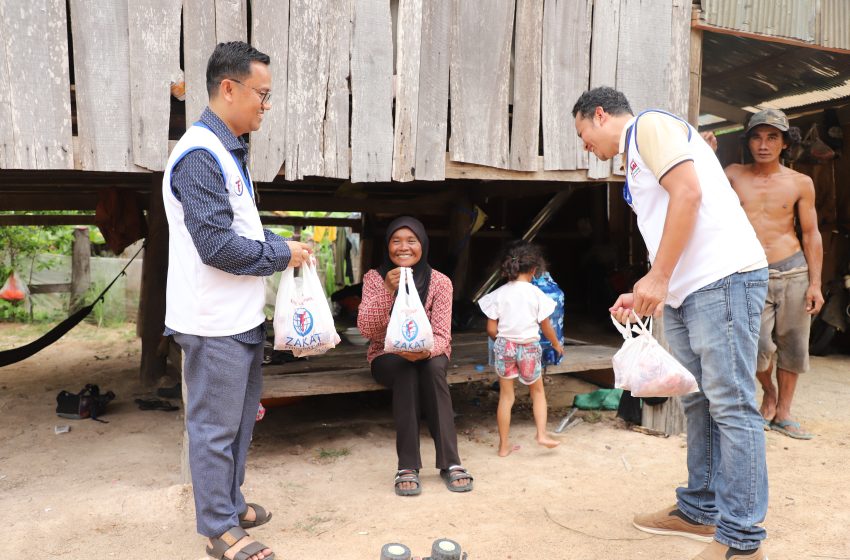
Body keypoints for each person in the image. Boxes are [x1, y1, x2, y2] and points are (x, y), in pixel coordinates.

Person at [573, 86, 770, 560]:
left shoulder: (649, 126)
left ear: (600, 114)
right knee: (699, 401)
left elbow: (688, 192)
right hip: (692, 288)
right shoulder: (637, 156)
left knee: (732, 406)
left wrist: (659, 277)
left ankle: (742, 541)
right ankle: (699, 510)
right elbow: (670, 221)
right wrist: (650, 284)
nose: (585, 147)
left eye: (582, 134)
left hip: (723, 279)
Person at [162, 41, 312, 560]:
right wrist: (280, 252)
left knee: (240, 422)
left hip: (238, 317)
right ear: (229, 89)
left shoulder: (225, 152)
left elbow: (233, 230)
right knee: (214, 428)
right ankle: (219, 529)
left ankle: (230, 501)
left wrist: (274, 250)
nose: (265, 106)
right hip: (212, 321)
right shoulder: (201, 155)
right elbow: (217, 246)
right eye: (262, 95)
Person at [717, 109, 823, 440]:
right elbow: (701, 193)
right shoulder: (733, 174)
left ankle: (784, 413)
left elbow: (810, 234)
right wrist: (705, 151)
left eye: (772, 137)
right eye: (757, 137)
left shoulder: (799, 182)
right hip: (749, 272)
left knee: (793, 344)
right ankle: (769, 393)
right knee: (756, 344)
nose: (763, 144)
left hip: (792, 271)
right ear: (747, 141)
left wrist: (816, 284)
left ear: (784, 143)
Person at [357, 216, 473, 496]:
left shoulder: (440, 283)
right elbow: (367, 330)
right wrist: (387, 290)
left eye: (411, 241)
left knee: (433, 369)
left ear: (423, 245)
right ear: (387, 246)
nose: (403, 247)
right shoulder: (375, 278)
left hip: (429, 351)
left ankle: (450, 462)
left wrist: (426, 351)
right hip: (387, 354)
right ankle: (407, 465)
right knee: (405, 371)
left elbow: (443, 335)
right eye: (396, 241)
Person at [478, 241, 564, 456]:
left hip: (505, 346)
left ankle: (503, 446)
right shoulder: (536, 295)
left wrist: (505, 340)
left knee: (506, 397)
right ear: (535, 270)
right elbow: (547, 326)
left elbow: (490, 328)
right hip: (528, 348)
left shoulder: (498, 294)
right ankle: (542, 434)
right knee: (537, 392)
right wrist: (556, 344)